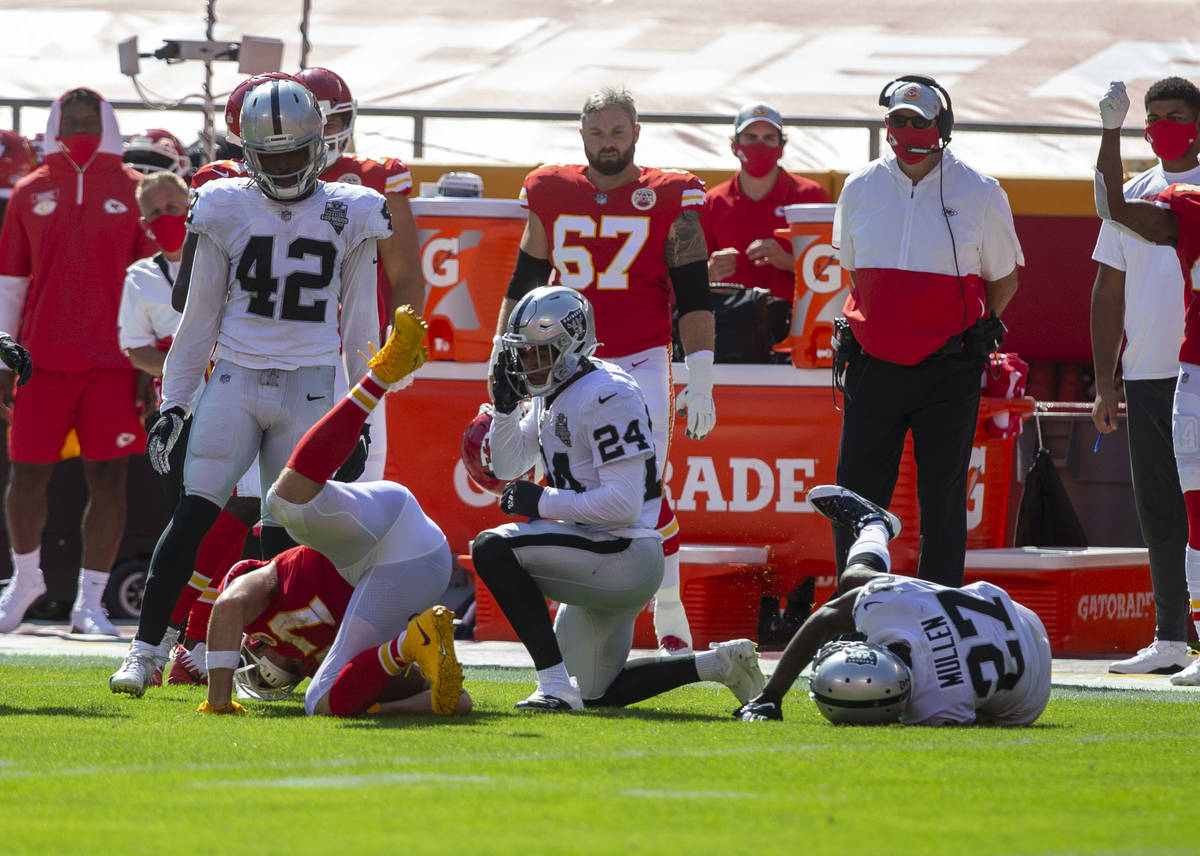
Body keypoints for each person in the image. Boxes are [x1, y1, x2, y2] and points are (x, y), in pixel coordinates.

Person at [109, 78, 391, 696]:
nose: (286, 167)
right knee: (192, 519)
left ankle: (265, 659)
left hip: (313, 387)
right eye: (273, 156)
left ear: (320, 145)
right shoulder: (222, 203)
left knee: (284, 537)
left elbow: (361, 326)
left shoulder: (354, 207)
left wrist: (361, 411)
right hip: (235, 380)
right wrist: (175, 403)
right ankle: (145, 651)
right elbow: (198, 318)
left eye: (296, 153)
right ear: (248, 153)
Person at [494, 87, 716, 655]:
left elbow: (694, 294)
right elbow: (525, 282)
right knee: (569, 481)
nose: (608, 143)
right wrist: (503, 355)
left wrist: (702, 374)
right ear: (582, 135)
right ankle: (581, 606)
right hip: (562, 363)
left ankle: (668, 607)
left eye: (617, 132)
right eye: (597, 133)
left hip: (638, 357)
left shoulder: (668, 193)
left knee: (642, 488)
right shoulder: (551, 188)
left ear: (636, 132)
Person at [472, 286, 763, 711]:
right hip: (594, 551)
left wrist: (541, 502)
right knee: (596, 693)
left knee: (493, 548)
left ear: (571, 346)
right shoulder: (555, 390)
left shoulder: (607, 393)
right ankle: (720, 664)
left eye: (541, 352)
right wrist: (502, 411)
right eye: (524, 353)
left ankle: (552, 685)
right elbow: (507, 465)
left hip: (624, 551)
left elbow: (622, 505)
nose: (529, 364)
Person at [195, 306, 464, 717]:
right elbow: (433, 692)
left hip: (376, 537)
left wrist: (217, 701)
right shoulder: (324, 660)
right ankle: (413, 646)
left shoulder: (264, 596)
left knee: (283, 501)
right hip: (406, 564)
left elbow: (229, 606)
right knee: (323, 699)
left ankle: (380, 376)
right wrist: (414, 676)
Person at [830, 75, 1022, 588]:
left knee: (942, 498)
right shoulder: (860, 185)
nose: (908, 130)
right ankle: (855, 616)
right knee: (855, 497)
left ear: (943, 126)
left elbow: (1005, 276)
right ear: (885, 123)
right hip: (872, 364)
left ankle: (940, 617)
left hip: (949, 365)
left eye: (920, 121)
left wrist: (976, 328)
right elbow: (855, 271)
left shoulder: (981, 191)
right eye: (898, 119)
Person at [0, 87, 157, 636]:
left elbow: (151, 288)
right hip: (40, 360)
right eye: (74, 109)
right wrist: (3, 356)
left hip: (114, 362)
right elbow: (11, 282)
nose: (83, 116)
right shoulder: (30, 190)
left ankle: (91, 603)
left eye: (92, 110)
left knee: (109, 481)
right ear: (57, 119)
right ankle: (26, 580)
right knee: (25, 477)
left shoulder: (135, 190)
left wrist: (147, 364)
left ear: (108, 120)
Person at [734, 484, 1052, 725]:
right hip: (1024, 661)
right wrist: (771, 697)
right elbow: (826, 619)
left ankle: (875, 524)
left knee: (854, 582)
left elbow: (827, 618)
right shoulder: (931, 697)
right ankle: (874, 524)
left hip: (1022, 662)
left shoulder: (933, 702)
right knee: (855, 581)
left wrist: (770, 697)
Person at [1091, 77, 1200, 676]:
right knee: (1159, 509)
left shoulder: (1191, 196)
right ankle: (1171, 636)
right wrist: (1106, 382)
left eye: (1175, 116)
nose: (1162, 127)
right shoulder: (1136, 189)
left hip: (1197, 368)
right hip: (1148, 371)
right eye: (1152, 118)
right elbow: (1107, 293)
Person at [702, 102, 830, 301]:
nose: (759, 145)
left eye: (768, 138)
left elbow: (834, 268)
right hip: (731, 321)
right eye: (750, 138)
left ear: (781, 148)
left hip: (795, 321)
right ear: (735, 147)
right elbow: (688, 273)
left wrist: (787, 262)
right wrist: (710, 273)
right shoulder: (714, 200)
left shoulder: (811, 195)